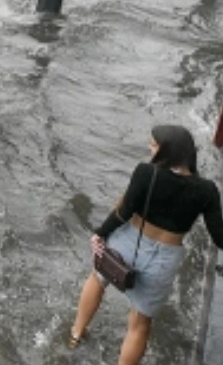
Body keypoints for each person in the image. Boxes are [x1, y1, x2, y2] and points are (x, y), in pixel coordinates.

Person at [68, 125, 223, 363]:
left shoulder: (146, 172)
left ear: (167, 150)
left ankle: (76, 334)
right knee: (140, 325)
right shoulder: (207, 190)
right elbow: (219, 236)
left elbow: (124, 212)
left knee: (97, 280)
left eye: (153, 144)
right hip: (163, 261)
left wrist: (99, 234)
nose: (149, 147)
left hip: (129, 242)